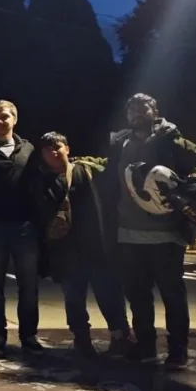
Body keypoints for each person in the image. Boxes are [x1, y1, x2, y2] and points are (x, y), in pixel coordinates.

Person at [104, 93, 196, 370]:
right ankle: (145, 346)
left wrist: (185, 189)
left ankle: (177, 350)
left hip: (167, 232)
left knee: (172, 295)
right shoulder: (121, 143)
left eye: (143, 109)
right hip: (128, 231)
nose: (137, 114)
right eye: (132, 110)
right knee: (137, 294)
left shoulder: (172, 140)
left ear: (155, 111)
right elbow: (106, 174)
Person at [32, 132, 132, 358]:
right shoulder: (42, 181)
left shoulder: (87, 170)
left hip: (98, 248)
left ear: (67, 148)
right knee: (74, 300)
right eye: (47, 150)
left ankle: (120, 337)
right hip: (67, 253)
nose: (53, 153)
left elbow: (116, 172)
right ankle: (81, 340)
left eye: (57, 147)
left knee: (109, 296)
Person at [0, 100, 42, 355]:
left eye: (4, 117)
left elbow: (38, 190)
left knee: (29, 285)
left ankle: (29, 335)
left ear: (14, 120)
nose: (0, 121)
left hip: (25, 229)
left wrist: (37, 222)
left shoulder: (30, 151)